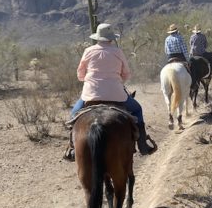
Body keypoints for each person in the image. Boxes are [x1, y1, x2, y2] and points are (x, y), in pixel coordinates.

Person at [64, 23, 156, 160]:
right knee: (137, 109)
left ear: (97, 38)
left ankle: (72, 148)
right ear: (111, 38)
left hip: (90, 95)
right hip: (116, 94)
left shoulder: (88, 51)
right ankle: (142, 144)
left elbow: (80, 74)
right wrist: (117, 81)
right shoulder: (118, 52)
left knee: (73, 115)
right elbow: (126, 74)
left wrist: (89, 80)